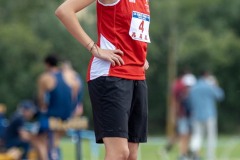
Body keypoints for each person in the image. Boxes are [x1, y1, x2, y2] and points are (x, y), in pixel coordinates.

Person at [55, 0, 150, 159]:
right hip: (110, 75)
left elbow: (134, 31)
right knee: (119, 153)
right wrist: (94, 48)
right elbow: (64, 11)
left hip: (137, 75)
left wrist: (140, 55)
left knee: (132, 154)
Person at [37, 55, 82, 160]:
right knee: (55, 141)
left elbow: (41, 100)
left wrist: (43, 108)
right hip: (67, 117)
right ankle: (55, 155)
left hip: (52, 116)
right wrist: (75, 107)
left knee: (39, 140)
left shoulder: (46, 77)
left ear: (47, 64)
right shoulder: (69, 75)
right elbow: (76, 91)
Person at [189, 71, 224, 160]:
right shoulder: (209, 86)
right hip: (209, 115)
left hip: (196, 115)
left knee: (197, 136)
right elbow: (220, 96)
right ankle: (210, 156)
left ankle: (194, 155)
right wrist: (215, 85)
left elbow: (190, 102)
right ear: (207, 77)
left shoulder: (194, 88)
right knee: (211, 137)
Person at [170, 71, 196, 160]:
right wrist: (174, 116)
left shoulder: (194, 93)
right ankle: (182, 154)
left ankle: (191, 154)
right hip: (183, 116)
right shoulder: (180, 93)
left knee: (192, 135)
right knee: (183, 135)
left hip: (192, 116)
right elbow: (176, 104)